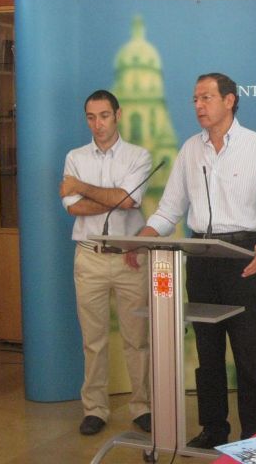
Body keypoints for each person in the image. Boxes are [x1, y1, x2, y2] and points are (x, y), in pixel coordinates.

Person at [135, 73, 256, 448]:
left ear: (229, 100)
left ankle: (254, 435)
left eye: (206, 97)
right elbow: (169, 209)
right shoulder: (191, 150)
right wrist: (139, 240)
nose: (198, 106)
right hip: (201, 259)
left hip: (243, 258)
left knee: (248, 354)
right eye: (195, 99)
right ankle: (213, 428)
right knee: (208, 353)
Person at [59, 90, 152, 436]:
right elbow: (73, 207)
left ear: (118, 115)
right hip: (89, 256)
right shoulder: (75, 157)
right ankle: (95, 409)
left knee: (137, 339)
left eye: (104, 115)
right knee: (93, 341)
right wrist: (114, 197)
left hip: (130, 258)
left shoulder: (138, 156)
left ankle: (143, 406)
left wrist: (83, 187)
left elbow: (129, 200)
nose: (97, 124)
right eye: (91, 117)